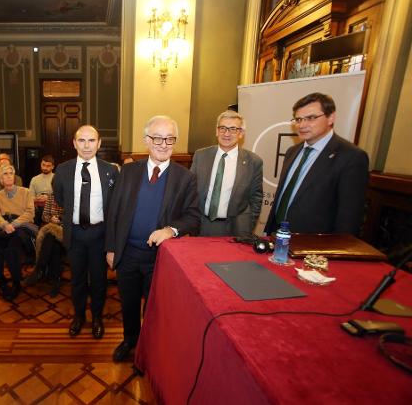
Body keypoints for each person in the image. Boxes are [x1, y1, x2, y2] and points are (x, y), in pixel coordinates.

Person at [105, 115, 200, 362]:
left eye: (169, 139)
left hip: (161, 257)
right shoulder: (128, 171)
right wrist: (111, 247)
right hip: (126, 254)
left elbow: (193, 217)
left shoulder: (185, 177)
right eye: (157, 138)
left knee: (155, 308)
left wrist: (171, 230)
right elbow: (113, 211)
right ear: (147, 140)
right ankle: (130, 340)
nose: (163, 144)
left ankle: (149, 350)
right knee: (128, 303)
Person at [264, 92, 369, 235]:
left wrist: (335, 253)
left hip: (314, 245)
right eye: (298, 119)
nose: (302, 125)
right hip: (277, 235)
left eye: (311, 118)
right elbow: (282, 197)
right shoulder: (292, 152)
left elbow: (349, 218)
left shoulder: (351, 157)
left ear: (331, 117)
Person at [53, 125, 119, 339]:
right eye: (82, 140)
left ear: (99, 143)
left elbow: (115, 206)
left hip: (100, 234)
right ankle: (79, 316)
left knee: (99, 280)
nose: (87, 145)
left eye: (92, 141)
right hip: (75, 235)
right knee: (77, 280)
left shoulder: (110, 170)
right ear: (74, 143)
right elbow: (61, 199)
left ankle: (97, 317)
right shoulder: (62, 170)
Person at [190, 110, 263, 236]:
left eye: (233, 129)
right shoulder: (200, 156)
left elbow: (256, 198)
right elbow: (190, 190)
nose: (226, 133)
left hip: (236, 228)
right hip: (201, 225)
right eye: (223, 128)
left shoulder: (253, 162)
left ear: (241, 133)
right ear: (217, 131)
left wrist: (247, 227)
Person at [0, 164, 36, 300]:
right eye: (5, 174)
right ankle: (0, 278)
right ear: (0, 179)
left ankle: (16, 280)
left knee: (12, 247)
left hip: (23, 225)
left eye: (10, 173)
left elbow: (30, 213)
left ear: (14, 177)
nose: (8, 176)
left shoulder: (25, 192)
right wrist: (4, 224)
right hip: (5, 225)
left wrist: (14, 224)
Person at [24, 193, 65, 297]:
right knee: (53, 244)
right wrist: (51, 219)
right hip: (52, 229)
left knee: (49, 236)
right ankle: (56, 280)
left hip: (67, 231)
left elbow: (75, 216)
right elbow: (44, 216)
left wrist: (60, 219)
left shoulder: (72, 195)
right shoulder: (52, 196)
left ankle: (39, 269)